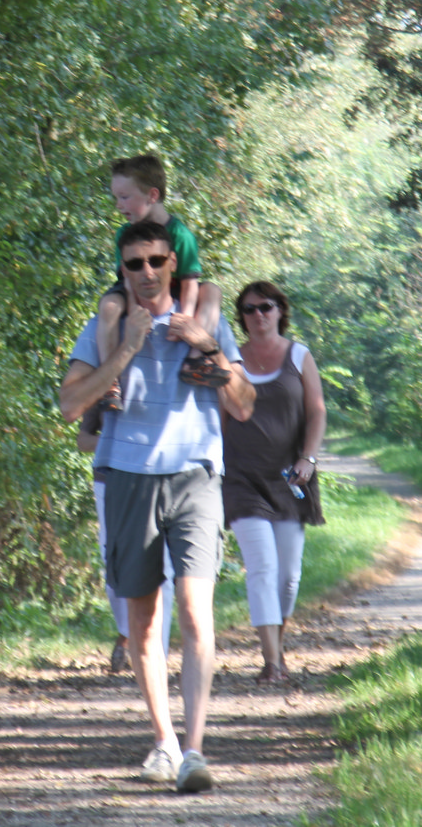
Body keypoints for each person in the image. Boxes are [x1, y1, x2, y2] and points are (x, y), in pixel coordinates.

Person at [60, 220, 255, 794]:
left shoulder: (203, 323)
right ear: (122, 271)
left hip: (195, 476)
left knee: (195, 611)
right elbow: (70, 406)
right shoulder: (106, 328)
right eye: (133, 264)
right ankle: (164, 742)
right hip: (128, 478)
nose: (145, 272)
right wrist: (126, 349)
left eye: (155, 261)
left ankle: (194, 750)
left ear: (174, 264)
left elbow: (244, 404)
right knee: (144, 623)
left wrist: (205, 344)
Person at [221, 281, 327, 685]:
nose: (258, 315)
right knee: (262, 567)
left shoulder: (299, 356)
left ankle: (276, 648)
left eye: (265, 307)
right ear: (241, 317)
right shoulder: (231, 361)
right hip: (242, 481)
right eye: (249, 309)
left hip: (290, 479)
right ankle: (272, 662)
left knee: (288, 576)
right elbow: (221, 418)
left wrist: (308, 458)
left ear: (280, 310)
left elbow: (316, 412)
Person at [95, 155, 227, 411]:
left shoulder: (180, 234)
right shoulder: (123, 234)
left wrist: (185, 318)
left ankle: (195, 360)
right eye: (116, 198)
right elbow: (127, 280)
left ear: (152, 195)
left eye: (124, 197)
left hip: (174, 288)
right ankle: (110, 381)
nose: (119, 205)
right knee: (108, 305)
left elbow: (189, 282)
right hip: (137, 289)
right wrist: (135, 311)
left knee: (212, 290)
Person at [78, 403, 174, 674]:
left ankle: (157, 658)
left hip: (161, 477)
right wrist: (120, 443)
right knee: (115, 568)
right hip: (109, 480)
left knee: (163, 569)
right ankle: (127, 632)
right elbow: (83, 440)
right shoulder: (105, 383)